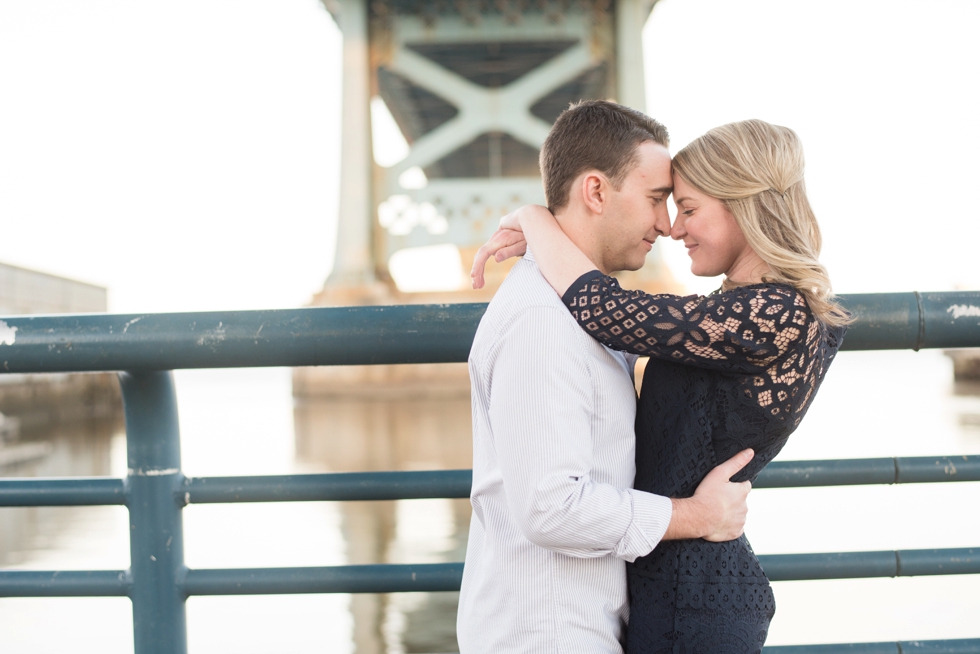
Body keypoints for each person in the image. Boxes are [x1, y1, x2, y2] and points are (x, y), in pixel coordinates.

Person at [471, 110, 850, 653]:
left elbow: (606, 309)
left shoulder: (771, 311)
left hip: (694, 598)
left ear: (746, 206)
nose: (671, 226)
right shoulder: (728, 312)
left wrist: (536, 220)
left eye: (686, 207)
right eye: (661, 200)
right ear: (596, 191)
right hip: (664, 593)